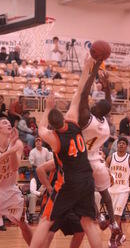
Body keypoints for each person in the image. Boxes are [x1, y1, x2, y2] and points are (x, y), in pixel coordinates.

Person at [29, 57, 103, 248]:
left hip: (68, 183)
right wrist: (88, 68)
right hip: (87, 179)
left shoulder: (53, 138)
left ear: (53, 127)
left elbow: (40, 129)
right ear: (63, 117)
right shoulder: (72, 120)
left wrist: (47, 109)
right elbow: (79, 91)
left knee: (46, 220)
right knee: (89, 222)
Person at [78, 68, 120, 247]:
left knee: (87, 193)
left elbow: (83, 97)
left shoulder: (87, 118)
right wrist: (107, 88)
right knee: (105, 194)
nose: (93, 104)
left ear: (96, 109)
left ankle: (98, 216)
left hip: (84, 162)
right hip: (99, 162)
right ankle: (114, 222)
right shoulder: (105, 124)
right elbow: (107, 104)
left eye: (96, 104)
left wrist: (91, 74)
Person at [0, 117, 32, 244]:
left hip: (10, 190)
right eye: (4, 123)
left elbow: (14, 167)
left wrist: (12, 148)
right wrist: (8, 152)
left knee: (22, 223)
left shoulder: (17, 144)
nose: (8, 124)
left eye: (9, 122)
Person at [106, 136, 130, 247]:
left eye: (123, 143)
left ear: (127, 146)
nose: (121, 145)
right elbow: (104, 171)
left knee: (117, 215)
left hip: (123, 190)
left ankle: (112, 238)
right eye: (119, 143)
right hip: (111, 190)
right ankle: (121, 235)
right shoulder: (111, 158)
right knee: (112, 217)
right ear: (117, 145)